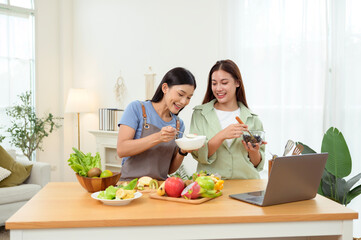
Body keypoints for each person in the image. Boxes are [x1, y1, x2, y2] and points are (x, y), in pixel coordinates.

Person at [190, 60, 266, 179]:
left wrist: (254, 151)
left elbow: (257, 164)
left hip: (247, 185)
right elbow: (198, 154)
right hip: (211, 186)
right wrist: (222, 135)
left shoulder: (252, 118)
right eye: (214, 83)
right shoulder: (200, 114)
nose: (218, 88)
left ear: (237, 83)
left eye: (224, 83)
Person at [117, 67, 196, 181]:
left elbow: (169, 170)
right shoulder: (137, 109)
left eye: (189, 97)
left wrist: (183, 151)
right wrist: (158, 137)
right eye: (180, 94)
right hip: (130, 187)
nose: (184, 101)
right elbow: (121, 149)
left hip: (159, 189)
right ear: (165, 88)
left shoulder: (179, 124)